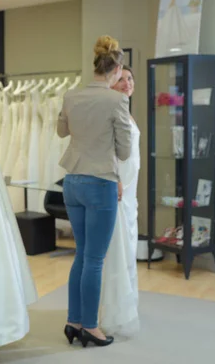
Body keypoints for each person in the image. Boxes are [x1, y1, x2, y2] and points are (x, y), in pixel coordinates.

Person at [57, 35, 132, 348]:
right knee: (95, 259)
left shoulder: (72, 96)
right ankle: (90, 326)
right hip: (100, 182)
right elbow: (125, 151)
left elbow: (62, 131)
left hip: (72, 182)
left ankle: (73, 322)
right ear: (116, 69)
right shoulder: (116, 101)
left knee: (81, 256)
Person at [100, 65, 141, 337]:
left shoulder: (127, 113)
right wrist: (113, 178)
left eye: (129, 78)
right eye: (121, 79)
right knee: (116, 253)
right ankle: (112, 313)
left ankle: (127, 308)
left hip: (130, 193)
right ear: (112, 84)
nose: (126, 82)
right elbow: (106, 149)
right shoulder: (112, 112)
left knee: (129, 251)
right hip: (118, 191)